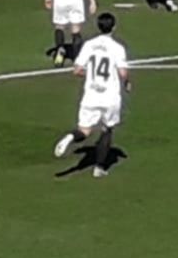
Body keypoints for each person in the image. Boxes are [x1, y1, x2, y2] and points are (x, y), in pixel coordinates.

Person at [53, 13, 131, 179]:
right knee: (107, 129)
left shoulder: (89, 45)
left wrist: (90, 75)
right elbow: (123, 73)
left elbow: (77, 70)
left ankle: (70, 137)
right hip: (109, 96)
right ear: (114, 27)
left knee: (84, 130)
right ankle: (100, 167)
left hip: (91, 95)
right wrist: (127, 83)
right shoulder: (117, 48)